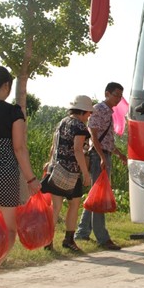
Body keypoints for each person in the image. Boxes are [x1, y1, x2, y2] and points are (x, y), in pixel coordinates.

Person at [0, 66, 41, 288]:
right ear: (6, 86)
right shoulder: (13, 112)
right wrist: (31, 179)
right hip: (6, 176)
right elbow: (19, 148)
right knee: (9, 231)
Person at [75, 83, 127, 250]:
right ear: (107, 94)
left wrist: (119, 154)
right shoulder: (99, 109)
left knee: (95, 195)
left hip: (104, 154)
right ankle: (102, 238)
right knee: (100, 197)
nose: (118, 99)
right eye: (116, 95)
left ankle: (82, 232)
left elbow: (107, 140)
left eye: (120, 96)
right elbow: (94, 135)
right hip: (99, 156)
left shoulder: (108, 112)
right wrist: (102, 157)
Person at [41, 95, 93, 252]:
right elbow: (78, 150)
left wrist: (49, 162)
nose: (89, 116)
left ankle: (48, 240)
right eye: (89, 113)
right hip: (71, 172)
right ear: (83, 111)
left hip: (56, 169)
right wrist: (85, 173)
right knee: (74, 204)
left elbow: (54, 146)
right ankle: (68, 240)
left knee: (55, 207)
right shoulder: (80, 127)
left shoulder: (62, 122)